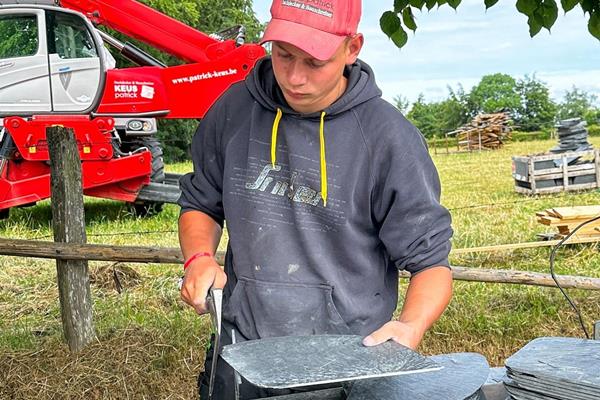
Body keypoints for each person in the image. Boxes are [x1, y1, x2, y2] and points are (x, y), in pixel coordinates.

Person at [178, 0, 453, 398]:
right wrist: (199, 257)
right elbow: (201, 203)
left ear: (352, 47)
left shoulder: (388, 139)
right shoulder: (233, 110)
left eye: (313, 62)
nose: (294, 77)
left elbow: (431, 264)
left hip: (346, 361)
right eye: (283, 55)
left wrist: (410, 327)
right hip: (241, 350)